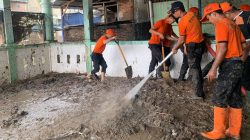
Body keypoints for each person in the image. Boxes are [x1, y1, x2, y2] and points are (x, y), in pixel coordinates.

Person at [200, 3, 247, 139]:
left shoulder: (220, 24)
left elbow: (222, 49)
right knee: (235, 98)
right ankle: (234, 132)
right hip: (237, 64)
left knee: (219, 96)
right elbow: (244, 46)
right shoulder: (233, 25)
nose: (209, 21)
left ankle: (218, 132)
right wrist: (239, 61)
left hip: (229, 65)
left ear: (214, 13)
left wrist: (213, 69)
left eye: (208, 17)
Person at [220, 2, 250, 138]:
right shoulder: (247, 15)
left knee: (245, 84)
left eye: (224, 15)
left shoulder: (240, 20)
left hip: (247, 59)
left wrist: (241, 61)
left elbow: (247, 44)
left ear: (228, 13)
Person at [170, 1, 205, 99]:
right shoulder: (193, 15)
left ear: (178, 10)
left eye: (173, 12)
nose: (173, 14)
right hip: (200, 44)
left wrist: (175, 48)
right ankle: (199, 90)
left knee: (195, 70)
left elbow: (181, 40)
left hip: (193, 47)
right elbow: (191, 33)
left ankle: (199, 94)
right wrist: (185, 46)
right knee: (197, 67)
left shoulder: (182, 22)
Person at [148, 13, 178, 78]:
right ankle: (160, 73)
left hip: (161, 44)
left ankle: (150, 75)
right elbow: (150, 30)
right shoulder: (160, 22)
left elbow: (167, 36)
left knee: (154, 60)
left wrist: (177, 39)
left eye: (174, 21)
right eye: (173, 20)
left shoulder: (169, 26)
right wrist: (159, 34)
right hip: (153, 44)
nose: (173, 22)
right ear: (169, 17)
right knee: (163, 59)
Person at [178, 7, 199, 81]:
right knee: (186, 62)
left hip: (188, 44)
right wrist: (184, 48)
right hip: (185, 44)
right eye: (196, 13)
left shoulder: (195, 20)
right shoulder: (186, 20)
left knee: (189, 62)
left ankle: (185, 78)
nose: (197, 14)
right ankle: (181, 78)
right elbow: (183, 38)